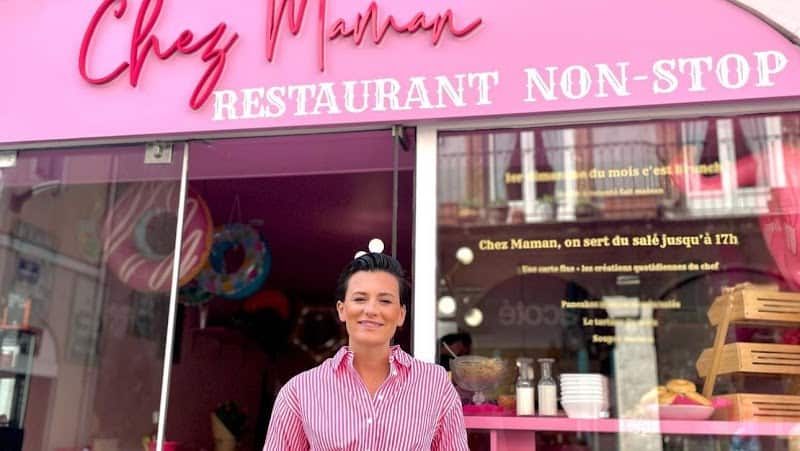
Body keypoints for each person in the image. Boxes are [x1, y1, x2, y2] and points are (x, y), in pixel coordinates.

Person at [264, 252, 469, 450]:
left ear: (401, 314)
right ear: (341, 310)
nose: (371, 310)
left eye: (385, 300)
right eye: (360, 299)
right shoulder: (299, 392)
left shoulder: (436, 385)